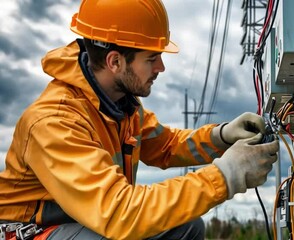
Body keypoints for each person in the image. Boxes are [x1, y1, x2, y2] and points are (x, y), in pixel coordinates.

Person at [0, 0, 279, 239]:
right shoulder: (54, 122)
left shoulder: (122, 108)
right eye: (151, 59)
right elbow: (119, 213)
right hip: (34, 231)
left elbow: (167, 145)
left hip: (83, 222)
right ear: (115, 62)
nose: (161, 68)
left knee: (186, 227)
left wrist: (222, 135)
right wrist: (225, 176)